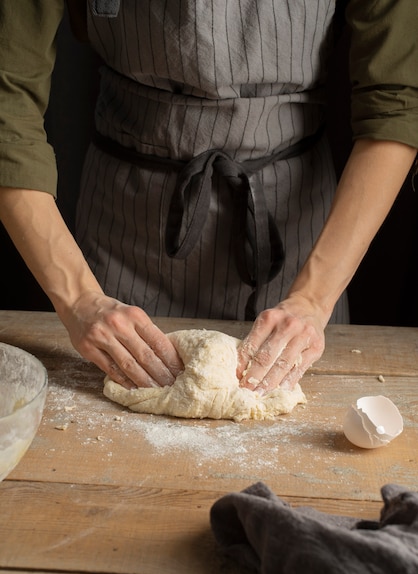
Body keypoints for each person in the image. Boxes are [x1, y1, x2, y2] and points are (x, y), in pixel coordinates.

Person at [0, 0, 417, 394]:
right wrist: (79, 298)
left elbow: (396, 104)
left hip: (301, 239)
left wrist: (311, 300)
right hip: (125, 226)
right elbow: (6, 106)